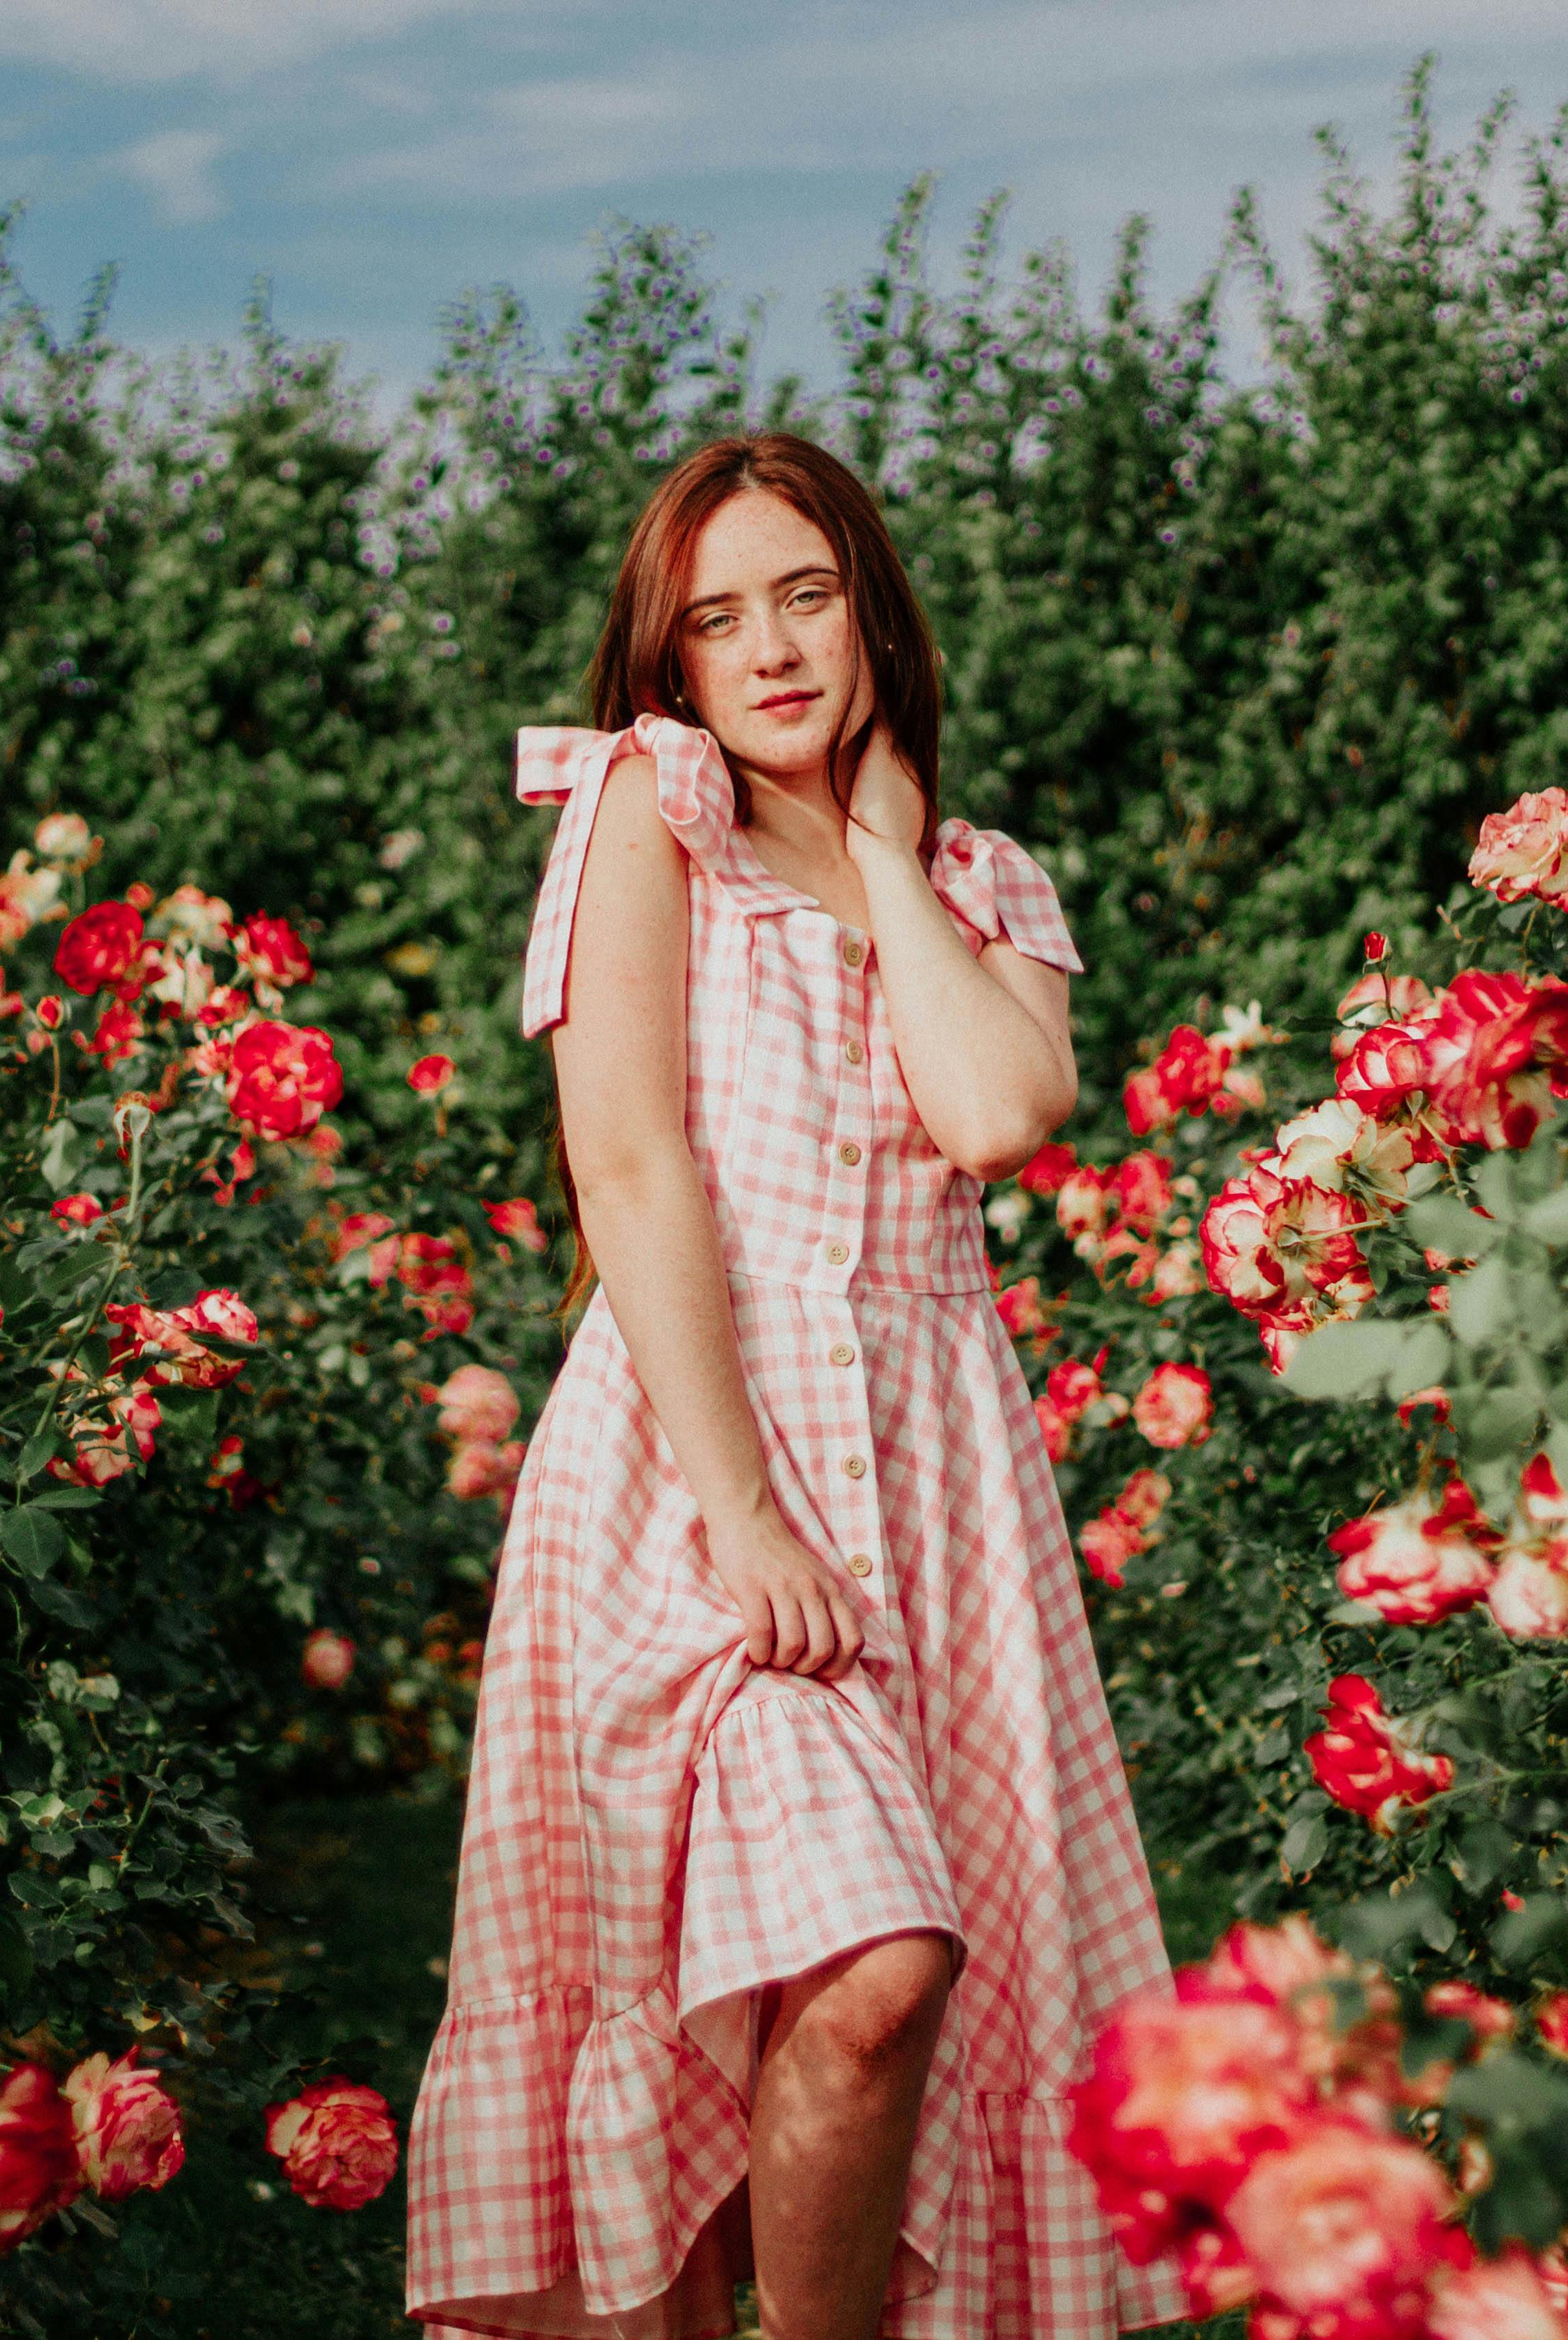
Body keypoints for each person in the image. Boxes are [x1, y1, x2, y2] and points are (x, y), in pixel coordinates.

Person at [404, 433, 1186, 2340]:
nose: (767, 650)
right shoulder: (644, 814)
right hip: (696, 1469)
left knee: (881, 1991)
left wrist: (890, 856)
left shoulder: (984, 877)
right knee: (852, 1968)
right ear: (666, 661)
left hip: (931, 1487)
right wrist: (743, 1512)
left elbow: (1000, 1111)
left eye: (805, 596)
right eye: (715, 617)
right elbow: (631, 1168)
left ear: (869, 608)